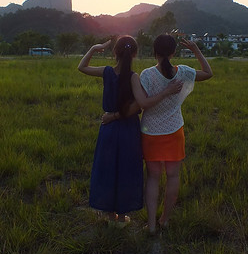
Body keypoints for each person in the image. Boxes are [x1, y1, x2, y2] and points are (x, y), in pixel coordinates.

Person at [77, 35, 182, 225]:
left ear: (114, 52)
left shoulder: (107, 72)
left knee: (109, 170)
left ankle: (110, 216)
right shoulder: (134, 77)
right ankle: (123, 215)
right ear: (135, 53)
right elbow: (138, 106)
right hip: (128, 130)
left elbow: (82, 67)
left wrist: (94, 48)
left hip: (108, 129)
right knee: (126, 170)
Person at [137, 34, 213, 234]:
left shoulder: (146, 75)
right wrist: (196, 50)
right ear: (173, 52)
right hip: (174, 132)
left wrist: (162, 93)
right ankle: (165, 220)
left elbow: (143, 104)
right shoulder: (184, 72)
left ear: (154, 51)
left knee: (153, 178)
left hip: (150, 133)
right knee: (173, 176)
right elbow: (208, 72)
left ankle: (152, 226)